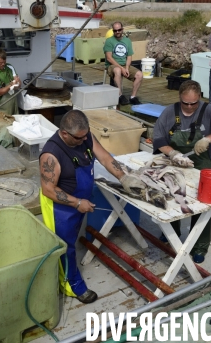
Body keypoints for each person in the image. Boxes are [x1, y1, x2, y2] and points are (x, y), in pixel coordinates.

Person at [39, 110, 145, 303]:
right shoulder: (51, 155)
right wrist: (77, 203)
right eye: (79, 138)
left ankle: (63, 277)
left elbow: (105, 157)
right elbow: (48, 190)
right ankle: (72, 287)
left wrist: (124, 177)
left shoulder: (85, 137)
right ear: (64, 134)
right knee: (64, 246)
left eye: (85, 135)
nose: (84, 140)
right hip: (60, 208)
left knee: (71, 240)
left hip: (79, 201)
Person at [152, 81, 211, 263]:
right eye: (185, 103)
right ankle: (170, 235)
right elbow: (158, 138)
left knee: (202, 204)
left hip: (201, 164)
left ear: (199, 98)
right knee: (172, 196)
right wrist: (173, 153)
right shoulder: (169, 112)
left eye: (194, 103)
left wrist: (208, 139)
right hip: (175, 164)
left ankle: (199, 246)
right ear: (179, 98)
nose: (190, 107)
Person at [104, 21, 144, 106]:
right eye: (115, 30)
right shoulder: (109, 41)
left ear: (122, 29)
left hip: (124, 65)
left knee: (139, 74)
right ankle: (120, 95)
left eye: (119, 30)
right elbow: (109, 58)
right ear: (113, 31)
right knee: (118, 70)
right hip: (112, 65)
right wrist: (122, 68)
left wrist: (126, 67)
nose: (117, 32)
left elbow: (129, 56)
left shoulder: (127, 41)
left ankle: (133, 97)